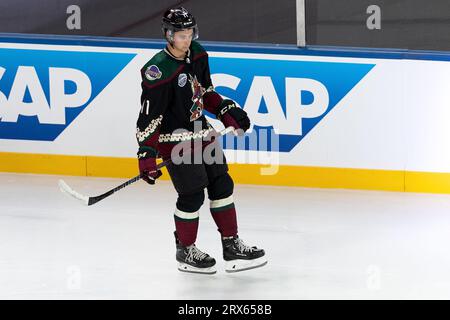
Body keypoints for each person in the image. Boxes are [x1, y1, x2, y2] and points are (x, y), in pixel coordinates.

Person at [136, 6, 267, 274]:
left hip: (201, 130)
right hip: (174, 139)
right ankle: (185, 250)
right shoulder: (157, 70)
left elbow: (204, 91)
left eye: (190, 33)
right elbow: (149, 115)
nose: (187, 39)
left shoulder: (198, 53)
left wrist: (225, 111)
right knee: (192, 194)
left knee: (222, 184)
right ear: (168, 35)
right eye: (181, 35)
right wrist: (146, 153)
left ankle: (231, 245)